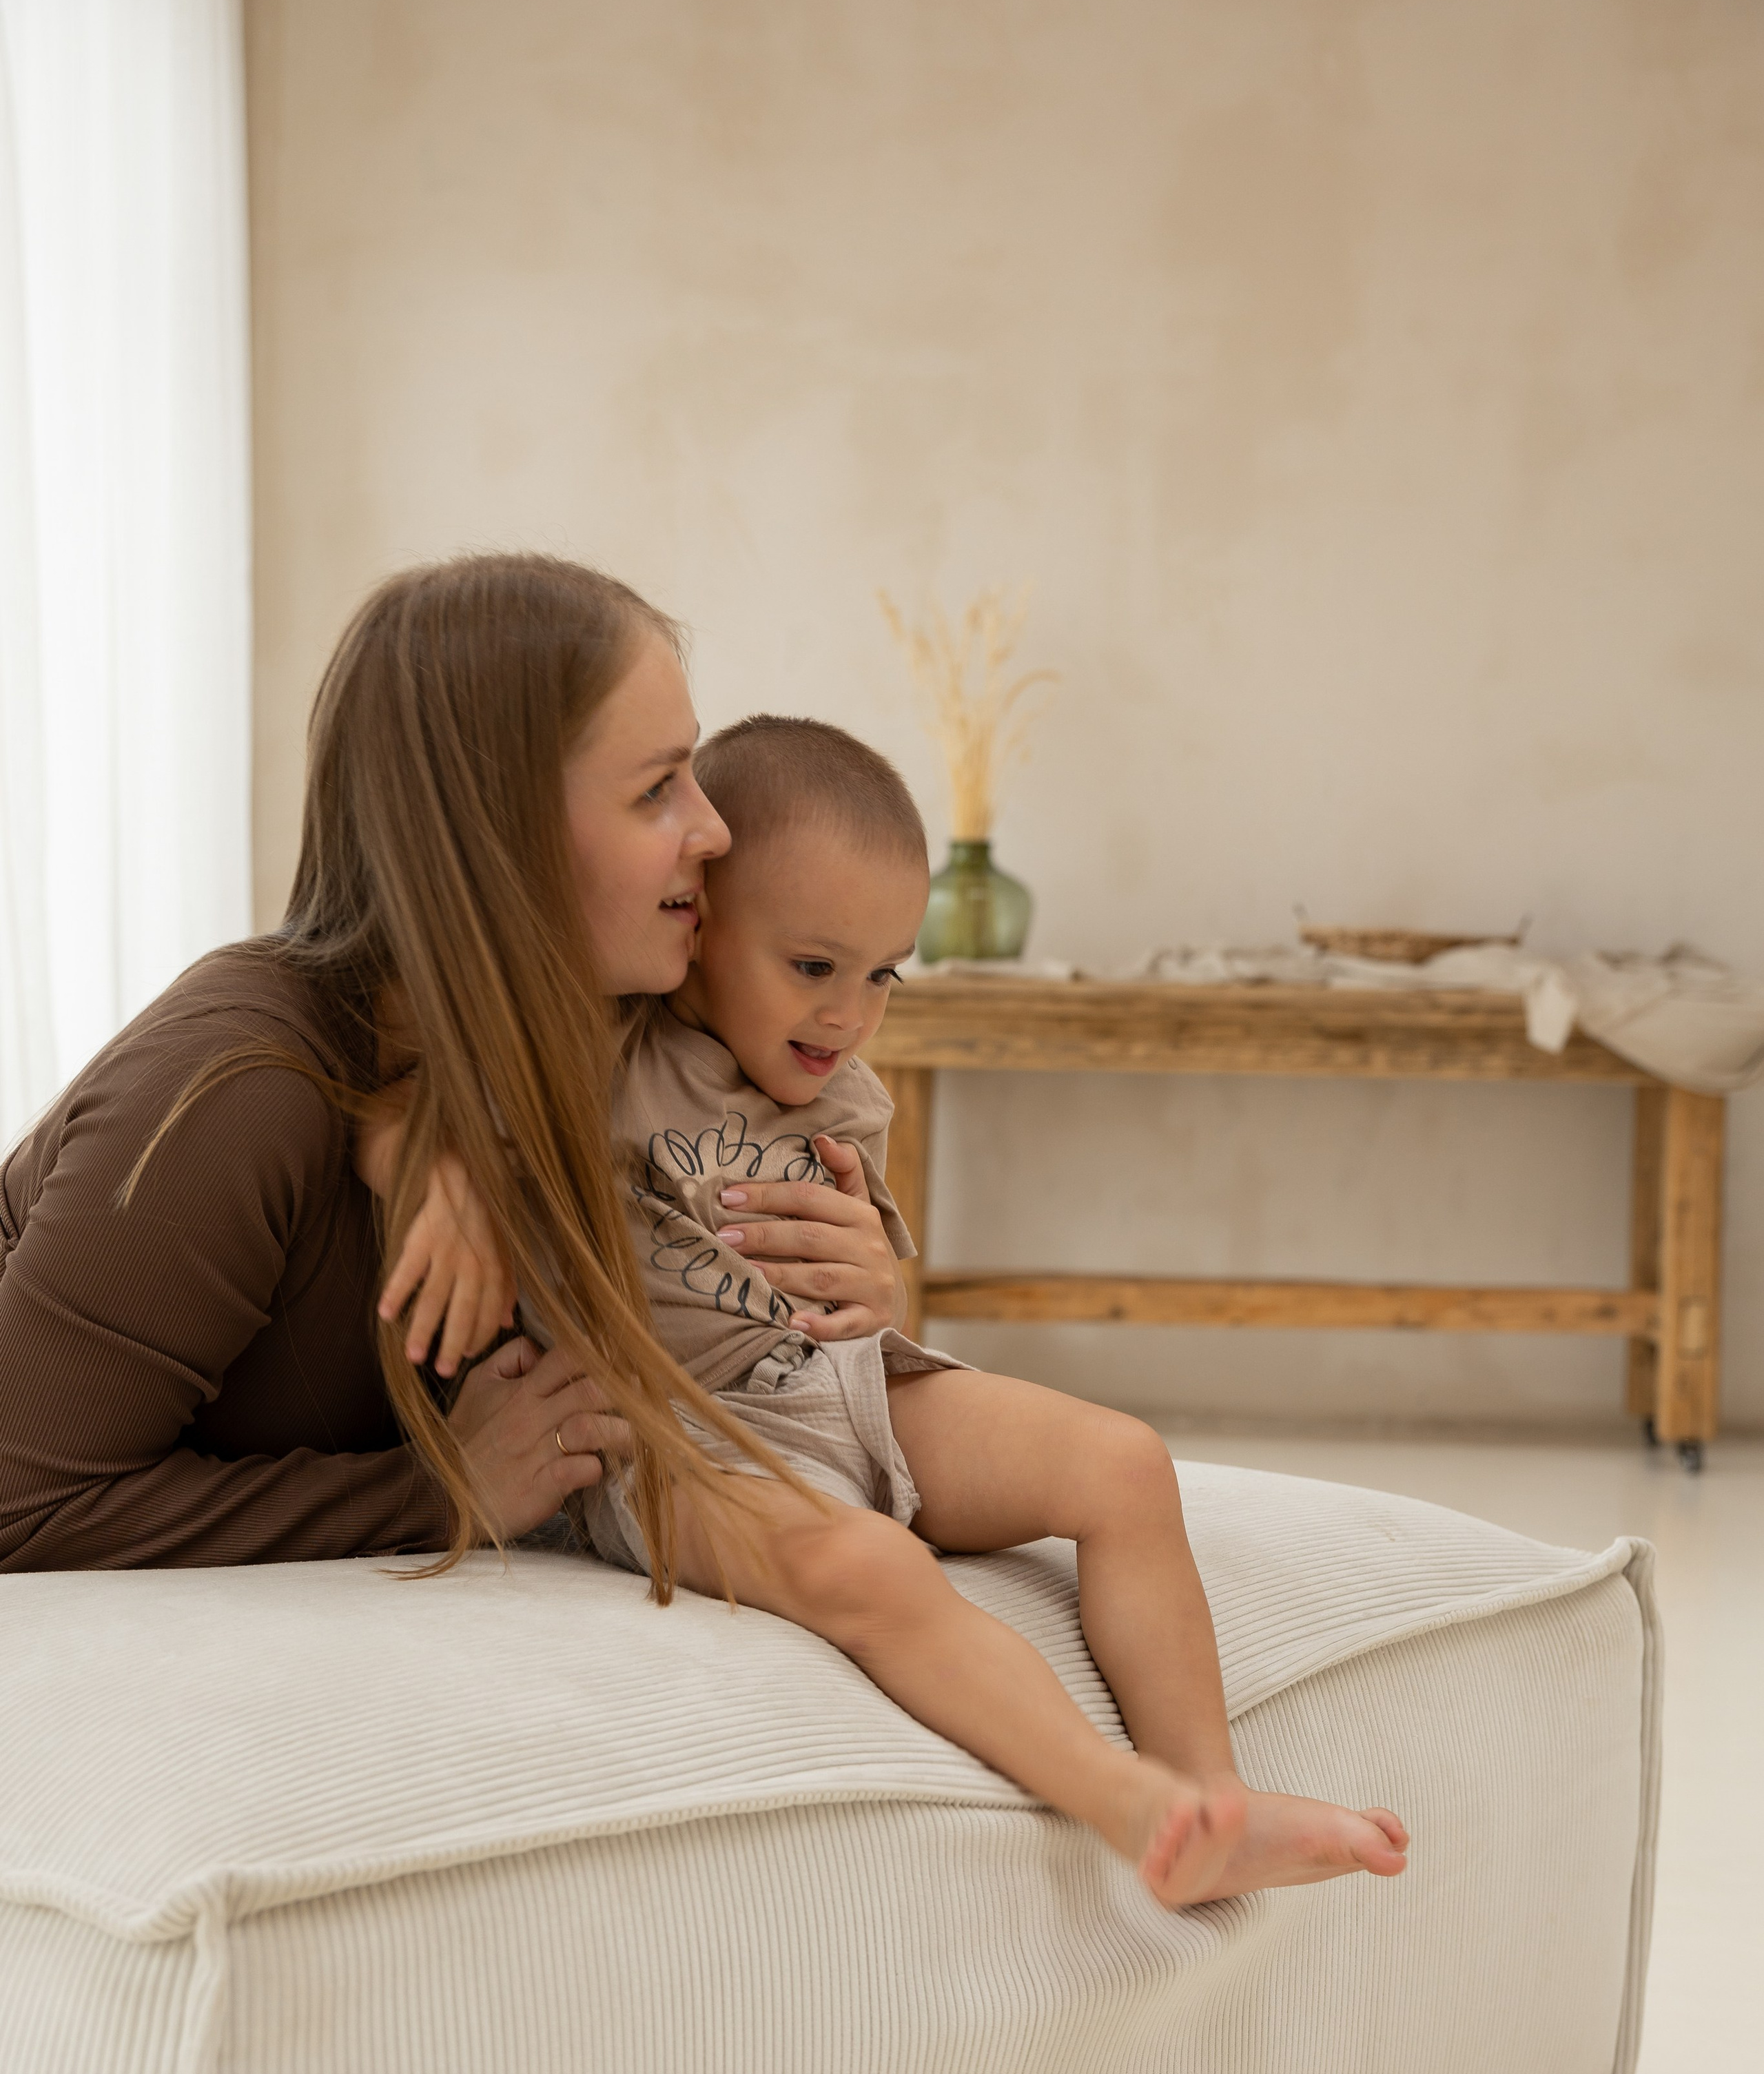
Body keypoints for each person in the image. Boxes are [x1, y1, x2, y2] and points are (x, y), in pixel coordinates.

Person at [367, 714, 1411, 1909]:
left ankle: (1209, 1787)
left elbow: (865, 1271)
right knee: (869, 1567)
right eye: (812, 967)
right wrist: (447, 1164)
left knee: (1123, 1463)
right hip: (672, 1438)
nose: (849, 1015)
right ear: (698, 929)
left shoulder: (839, 1092)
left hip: (844, 1384)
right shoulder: (599, 1049)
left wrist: (885, 1283)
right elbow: (397, 1067)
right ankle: (1129, 1804)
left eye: (882, 974)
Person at [0, 555, 881, 1572]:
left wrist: (848, 1304)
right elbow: (21, 1501)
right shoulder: (234, 1097)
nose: (716, 830)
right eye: (658, 790)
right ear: (498, 837)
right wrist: (442, 1486)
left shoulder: (609, 1040)